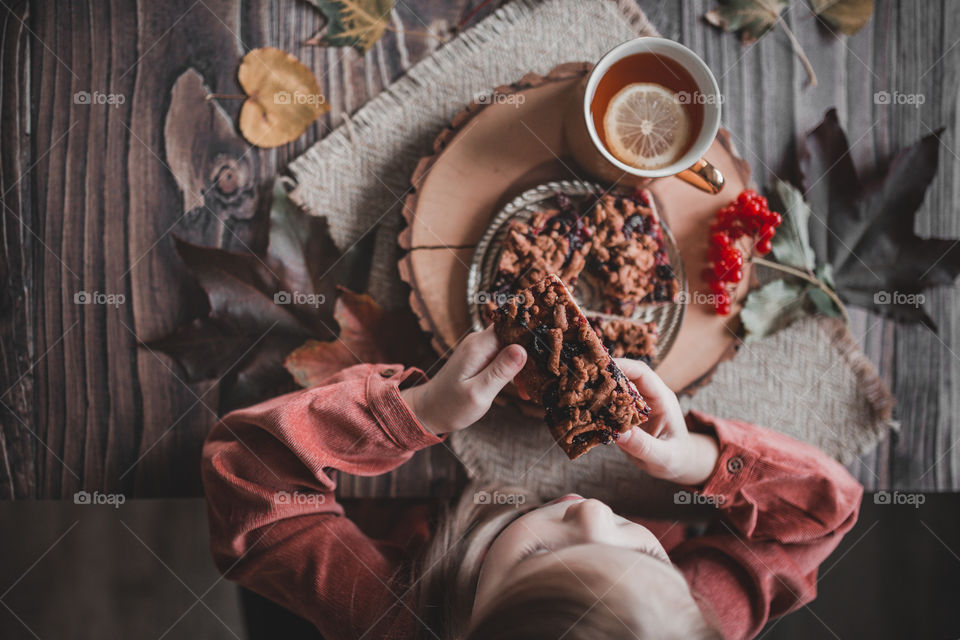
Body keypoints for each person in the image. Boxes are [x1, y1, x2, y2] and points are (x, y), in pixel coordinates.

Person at [202, 327, 862, 639]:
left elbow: (247, 476)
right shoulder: (681, 622)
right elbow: (825, 516)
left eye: (543, 553)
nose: (591, 511)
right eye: (641, 551)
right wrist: (696, 461)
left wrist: (417, 413)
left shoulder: (394, 618)